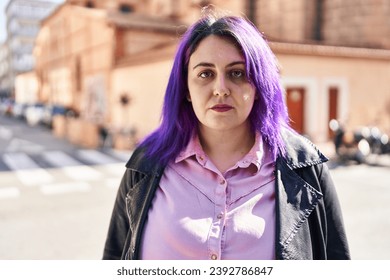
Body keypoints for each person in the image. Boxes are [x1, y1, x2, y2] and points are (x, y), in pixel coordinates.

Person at [103, 9, 350, 260]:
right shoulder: (145, 164)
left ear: (259, 85)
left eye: (237, 73)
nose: (220, 89)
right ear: (186, 88)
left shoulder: (305, 167)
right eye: (205, 74)